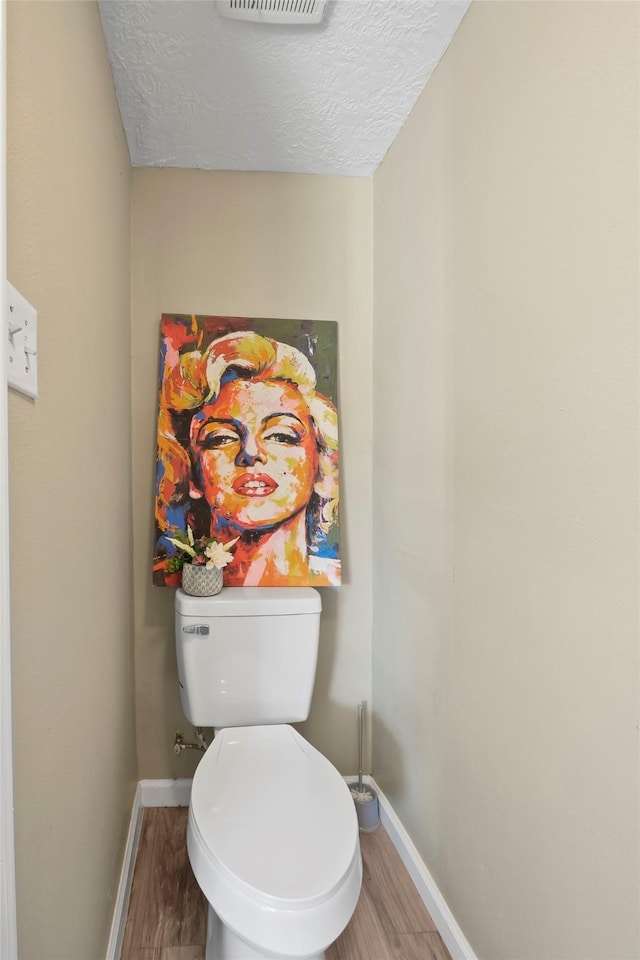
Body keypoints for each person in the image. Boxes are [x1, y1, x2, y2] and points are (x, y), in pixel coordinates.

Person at [154, 328, 340, 587]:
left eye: (282, 436)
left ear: (320, 464)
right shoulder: (165, 577)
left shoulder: (333, 577)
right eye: (220, 438)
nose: (251, 453)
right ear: (190, 472)